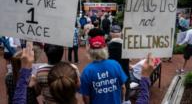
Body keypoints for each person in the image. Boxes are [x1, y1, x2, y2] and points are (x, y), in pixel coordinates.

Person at [13, 43, 154, 104]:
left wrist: (25, 71)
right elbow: (127, 90)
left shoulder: (39, 71)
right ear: (78, 82)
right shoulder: (113, 65)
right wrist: (145, 78)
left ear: (50, 87)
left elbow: (19, 101)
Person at [78, 36, 127, 104]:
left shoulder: (87, 70)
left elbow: (86, 95)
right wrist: (123, 100)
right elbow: (122, 86)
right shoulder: (115, 64)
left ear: (90, 51)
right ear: (105, 49)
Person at [107, 25, 130, 101]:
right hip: (124, 77)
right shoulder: (126, 47)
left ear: (110, 34)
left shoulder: (106, 48)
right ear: (121, 34)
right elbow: (129, 61)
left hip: (110, 78)